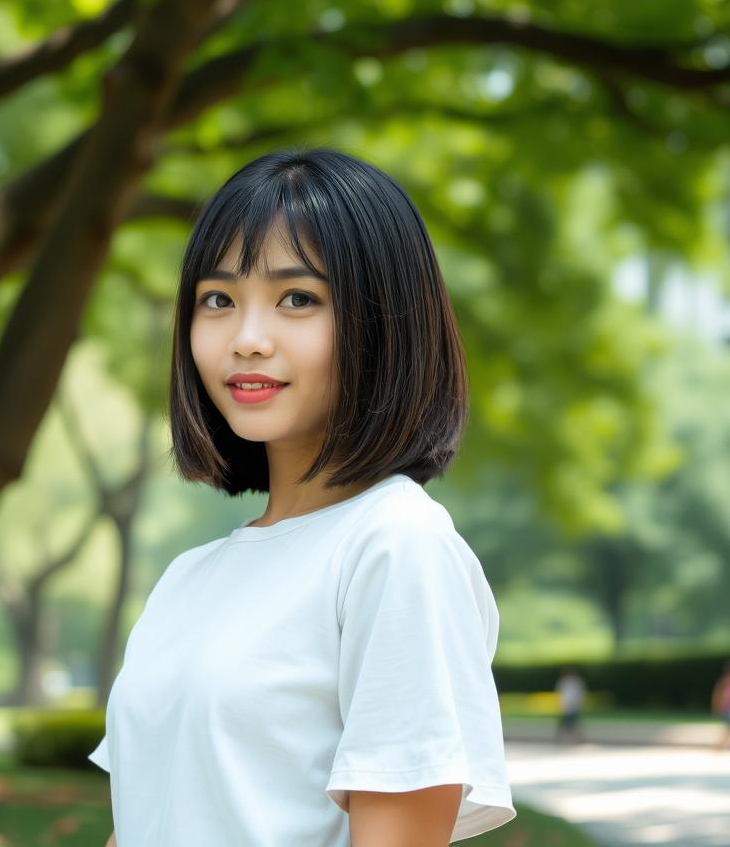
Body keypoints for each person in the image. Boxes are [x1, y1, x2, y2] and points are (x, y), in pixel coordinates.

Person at [89, 148, 516, 845]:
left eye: (298, 298)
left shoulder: (395, 546)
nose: (247, 340)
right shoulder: (185, 580)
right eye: (218, 300)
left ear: (384, 322)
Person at [554, 667, 586, 745]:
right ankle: (562, 738)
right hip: (566, 706)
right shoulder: (564, 681)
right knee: (565, 723)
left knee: (573, 723)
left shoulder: (576, 682)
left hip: (573, 706)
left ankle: (574, 738)